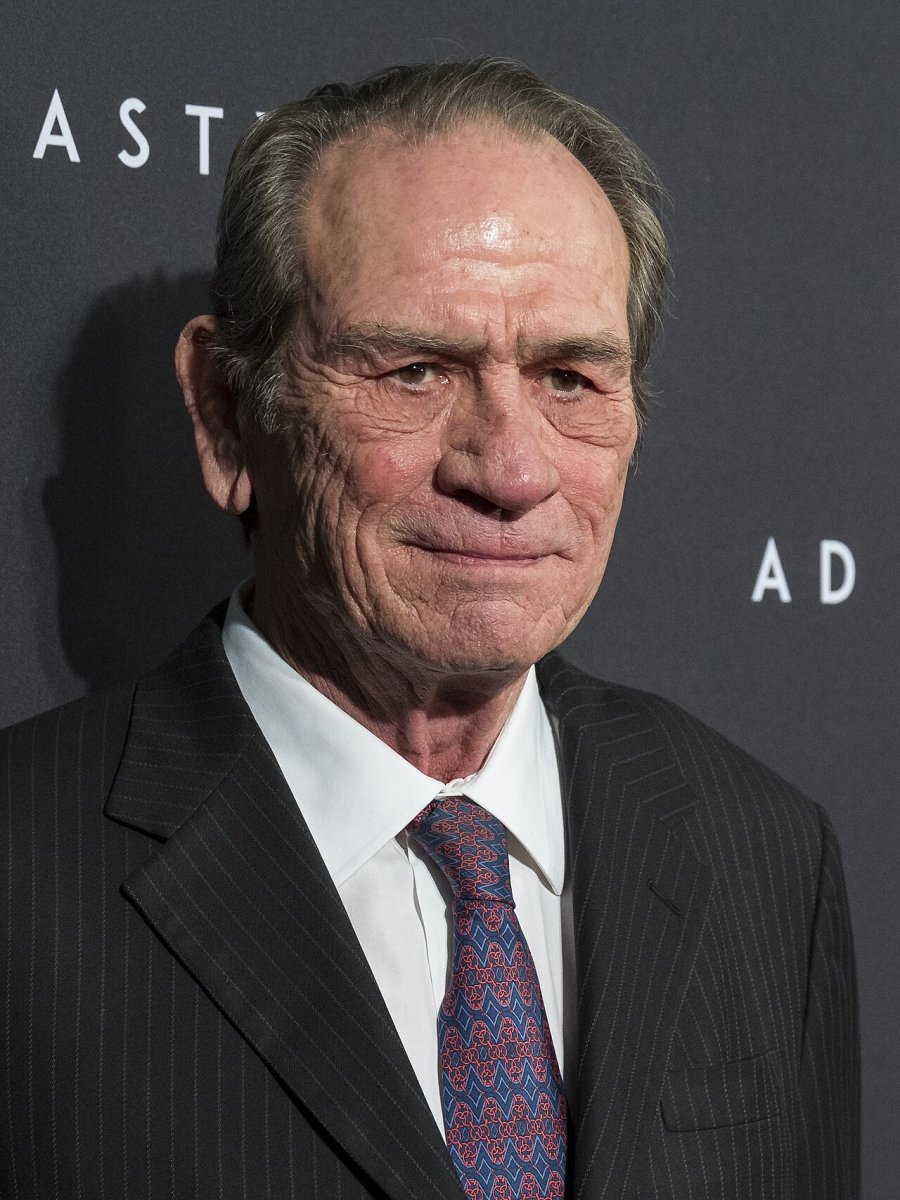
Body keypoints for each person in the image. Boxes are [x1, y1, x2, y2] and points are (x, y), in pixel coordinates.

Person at [0, 59, 858, 1200]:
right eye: (415, 372)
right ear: (226, 414)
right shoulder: (24, 875)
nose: (510, 470)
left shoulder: (766, 856)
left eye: (569, 378)